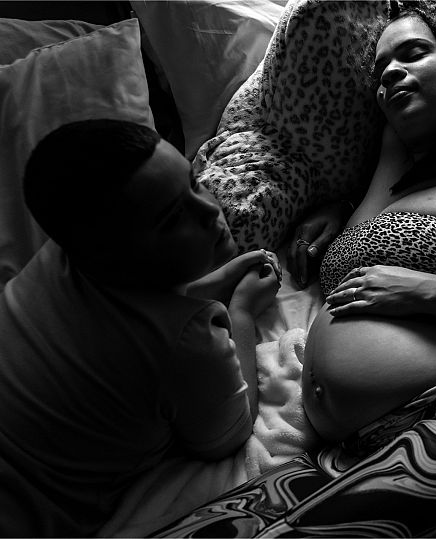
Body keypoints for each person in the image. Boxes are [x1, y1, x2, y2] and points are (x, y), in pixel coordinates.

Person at [156, 5, 436, 536]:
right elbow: (386, 187)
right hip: (355, 446)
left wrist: (430, 292)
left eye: (414, 53)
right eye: (380, 71)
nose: (391, 73)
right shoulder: (385, 183)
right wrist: (338, 208)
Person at [0, 119, 282, 537]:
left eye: (193, 183)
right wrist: (241, 309)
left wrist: (215, 282)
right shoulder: (187, 342)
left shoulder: (62, 252)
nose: (210, 210)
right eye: (171, 219)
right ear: (112, 254)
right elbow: (231, 433)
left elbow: (129, 304)